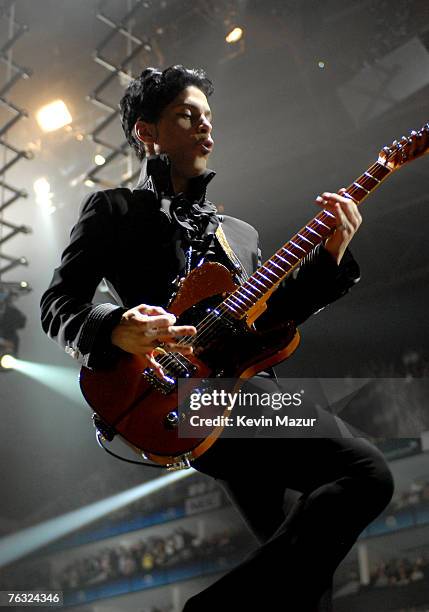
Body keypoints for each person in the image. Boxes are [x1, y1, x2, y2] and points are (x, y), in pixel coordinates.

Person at [40, 65, 394, 611]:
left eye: (209, 118)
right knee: (366, 471)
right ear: (146, 131)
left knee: (303, 582)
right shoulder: (113, 210)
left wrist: (330, 259)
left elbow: (276, 321)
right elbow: (58, 305)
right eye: (187, 116)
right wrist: (115, 327)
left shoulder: (240, 234)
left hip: (243, 392)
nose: (206, 128)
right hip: (182, 396)